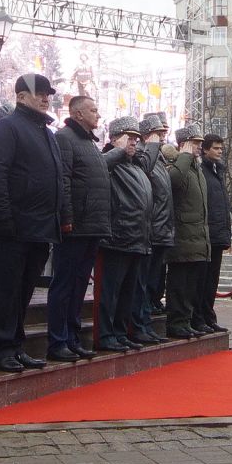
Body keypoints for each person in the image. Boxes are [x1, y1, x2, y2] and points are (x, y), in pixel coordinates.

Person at [0, 73, 70, 373]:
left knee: (24, 292)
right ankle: (2, 350)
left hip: (40, 228)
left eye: (48, 93)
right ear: (20, 97)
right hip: (13, 228)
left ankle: (16, 347)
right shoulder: (7, 128)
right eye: (39, 93)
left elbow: (57, 180)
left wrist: (59, 218)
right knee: (7, 292)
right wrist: (4, 218)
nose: (46, 98)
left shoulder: (46, 133)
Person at [47, 97, 109, 363]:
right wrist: (67, 218)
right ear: (78, 113)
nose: (98, 114)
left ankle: (72, 339)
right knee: (64, 285)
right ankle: (57, 341)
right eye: (93, 110)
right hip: (75, 226)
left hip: (92, 226)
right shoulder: (65, 138)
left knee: (79, 285)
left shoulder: (89, 142)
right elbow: (64, 181)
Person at [97, 118, 158, 352]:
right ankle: (106, 334)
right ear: (114, 139)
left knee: (127, 293)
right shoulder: (109, 160)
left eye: (136, 138)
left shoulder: (135, 165)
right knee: (110, 293)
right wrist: (118, 151)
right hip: (117, 237)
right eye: (128, 137)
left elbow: (148, 160)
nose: (134, 142)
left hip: (138, 238)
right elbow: (98, 166)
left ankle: (120, 333)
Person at [166, 127, 214, 337]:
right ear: (184, 144)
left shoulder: (196, 169)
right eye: (194, 142)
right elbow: (173, 182)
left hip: (197, 237)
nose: (199, 147)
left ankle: (187, 321)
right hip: (182, 237)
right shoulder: (177, 164)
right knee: (179, 285)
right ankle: (177, 322)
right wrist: (184, 155)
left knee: (191, 286)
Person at [133, 113, 177, 335]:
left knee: (151, 283)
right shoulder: (143, 155)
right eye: (158, 133)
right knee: (142, 283)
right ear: (147, 135)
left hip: (162, 229)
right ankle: (140, 324)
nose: (162, 138)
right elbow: (143, 173)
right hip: (150, 230)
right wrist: (150, 146)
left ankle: (146, 323)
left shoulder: (158, 158)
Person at [196, 135, 232, 331]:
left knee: (212, 281)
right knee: (202, 281)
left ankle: (209, 316)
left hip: (218, 236)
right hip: (206, 235)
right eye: (216, 148)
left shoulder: (218, 172)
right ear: (205, 150)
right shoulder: (202, 171)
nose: (220, 151)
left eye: (221, 148)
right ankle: (199, 318)